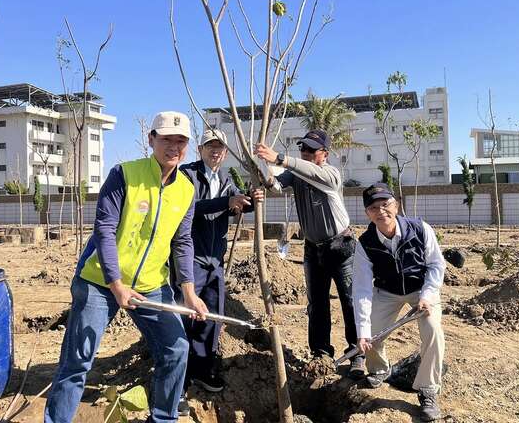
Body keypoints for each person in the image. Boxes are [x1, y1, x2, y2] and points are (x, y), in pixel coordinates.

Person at [45, 111, 207, 423]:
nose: (174, 146)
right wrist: (116, 284)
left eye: (181, 141)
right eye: (166, 139)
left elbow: (183, 241)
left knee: (176, 349)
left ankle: (163, 418)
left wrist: (188, 292)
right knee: (78, 360)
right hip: (100, 283)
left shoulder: (186, 190)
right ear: (151, 140)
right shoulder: (125, 174)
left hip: (151, 286)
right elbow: (104, 230)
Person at [255, 129, 366, 378]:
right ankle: (320, 353)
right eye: (302, 149)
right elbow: (275, 186)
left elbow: (313, 174)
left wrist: (281, 159)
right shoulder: (296, 174)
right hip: (313, 249)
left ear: (324, 154)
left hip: (341, 247)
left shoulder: (331, 174)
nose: (305, 153)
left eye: (311, 150)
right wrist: (263, 168)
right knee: (316, 304)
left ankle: (357, 354)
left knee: (350, 301)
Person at [178, 129, 264, 399]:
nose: (215, 151)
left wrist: (251, 199)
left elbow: (237, 204)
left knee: (211, 318)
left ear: (226, 153)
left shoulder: (226, 179)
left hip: (216, 260)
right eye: (210, 146)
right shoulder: (187, 174)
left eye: (220, 147)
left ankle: (203, 370)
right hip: (190, 257)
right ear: (200, 149)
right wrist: (227, 202)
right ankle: (178, 382)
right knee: (185, 317)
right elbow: (189, 207)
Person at [352, 183, 445, 422]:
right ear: (367, 214)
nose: (381, 211)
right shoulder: (365, 243)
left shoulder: (420, 228)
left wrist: (427, 295)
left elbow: (436, 264)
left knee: (433, 330)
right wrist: (362, 332)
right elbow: (362, 289)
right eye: (374, 207)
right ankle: (380, 369)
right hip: (387, 291)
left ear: (396, 205)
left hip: (421, 290)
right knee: (370, 333)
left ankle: (428, 390)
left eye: (385, 204)